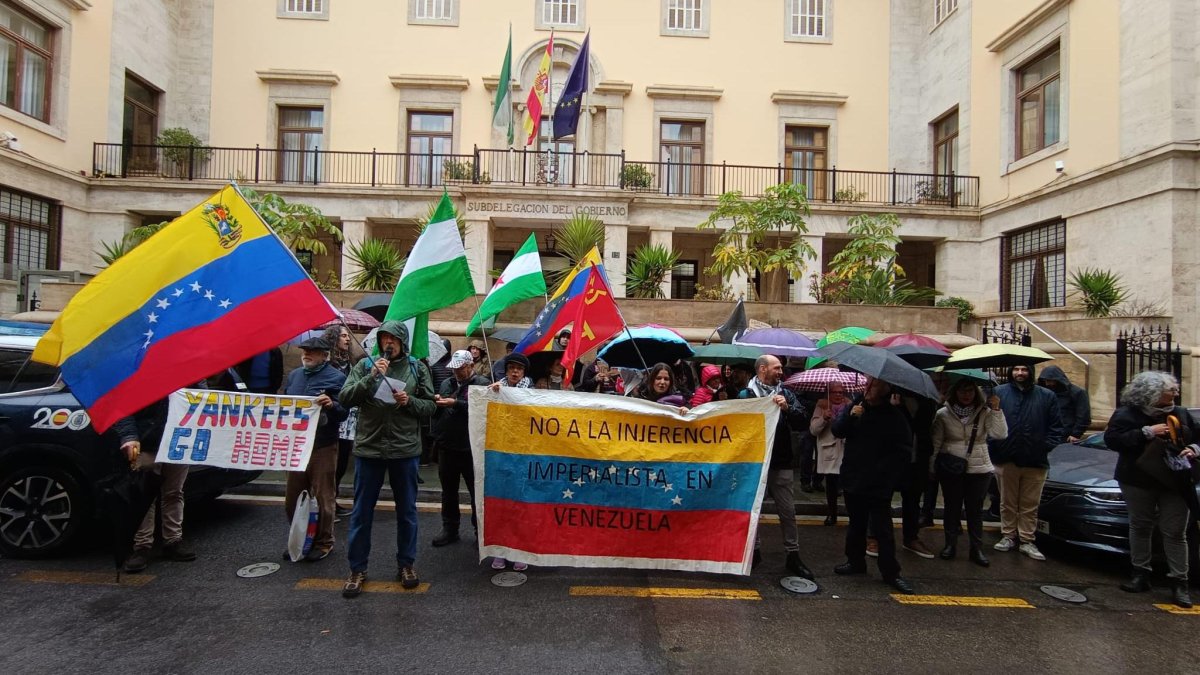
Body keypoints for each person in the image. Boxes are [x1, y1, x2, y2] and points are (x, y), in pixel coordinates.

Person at [338, 320, 436, 598]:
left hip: (404, 450)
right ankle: (357, 569)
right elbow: (345, 397)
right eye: (384, 339)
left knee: (407, 511)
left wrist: (410, 402)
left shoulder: (418, 368)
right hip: (370, 449)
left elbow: (430, 406)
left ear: (402, 342)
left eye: (393, 339)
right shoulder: (365, 365)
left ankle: (406, 564)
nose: (388, 343)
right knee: (361, 513)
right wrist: (371, 378)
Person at [1104, 371, 1199, 608]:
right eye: (1170, 389)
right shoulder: (1126, 414)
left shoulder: (1181, 413)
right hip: (1138, 479)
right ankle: (1140, 574)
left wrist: (1194, 448)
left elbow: (1197, 436)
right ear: (1152, 393)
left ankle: (1179, 582)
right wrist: (1148, 432)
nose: (1175, 392)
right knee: (1140, 525)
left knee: (1175, 531)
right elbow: (1113, 440)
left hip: (1175, 481)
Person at [831, 377, 915, 594]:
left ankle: (891, 573)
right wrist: (850, 417)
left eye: (874, 385)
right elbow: (838, 430)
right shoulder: (856, 406)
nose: (868, 388)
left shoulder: (894, 416)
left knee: (882, 530)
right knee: (856, 524)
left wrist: (888, 475)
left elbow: (904, 450)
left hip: (879, 483)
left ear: (886, 389)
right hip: (854, 477)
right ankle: (855, 561)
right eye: (867, 383)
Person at [738, 355, 815, 581]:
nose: (781, 371)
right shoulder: (746, 395)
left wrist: (788, 408)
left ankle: (793, 555)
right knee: (754, 511)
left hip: (780, 462)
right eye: (777, 368)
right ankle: (755, 551)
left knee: (787, 512)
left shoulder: (786, 393)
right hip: (754, 463)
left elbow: (803, 422)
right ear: (763, 369)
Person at [282, 336, 348, 561]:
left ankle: (324, 541)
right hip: (297, 445)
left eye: (312, 351)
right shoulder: (294, 376)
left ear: (324, 356)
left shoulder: (337, 378)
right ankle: (299, 538)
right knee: (293, 497)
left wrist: (332, 405)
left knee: (323, 496)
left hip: (322, 445)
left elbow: (344, 412)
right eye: (304, 350)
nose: (306, 354)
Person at [988, 364, 1064, 560]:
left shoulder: (1046, 396)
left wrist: (1044, 446)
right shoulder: (999, 392)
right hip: (1006, 457)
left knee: (1030, 503)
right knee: (1007, 501)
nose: (1019, 373)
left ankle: (1027, 539)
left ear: (1030, 371)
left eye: (1024, 369)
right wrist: (996, 446)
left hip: (1035, 459)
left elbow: (1056, 427)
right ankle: (1008, 535)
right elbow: (990, 422)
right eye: (1016, 369)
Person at [115, 392, 195, 574]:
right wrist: (129, 437)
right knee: (144, 495)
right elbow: (123, 407)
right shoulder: (136, 375)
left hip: (179, 441)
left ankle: (173, 541)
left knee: (174, 493)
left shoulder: (188, 375)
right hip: (147, 443)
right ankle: (142, 547)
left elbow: (202, 400)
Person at [931, 380, 1007, 567]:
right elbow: (936, 442)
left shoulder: (985, 412)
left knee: (975, 510)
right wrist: (931, 467)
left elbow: (1000, 434)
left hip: (979, 467)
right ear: (955, 393)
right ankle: (950, 545)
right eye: (962, 391)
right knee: (952, 508)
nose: (966, 395)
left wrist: (997, 410)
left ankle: (976, 549)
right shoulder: (943, 414)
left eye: (971, 391)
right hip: (951, 467)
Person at [432, 350, 490, 548]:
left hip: (470, 447)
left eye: (461, 368)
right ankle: (450, 528)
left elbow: (480, 408)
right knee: (448, 491)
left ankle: (479, 531)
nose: (457, 372)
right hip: (447, 445)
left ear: (471, 366)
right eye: (454, 369)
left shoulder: (481, 384)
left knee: (476, 492)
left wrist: (455, 403)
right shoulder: (447, 383)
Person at [488, 352, 534, 571]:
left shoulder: (532, 393)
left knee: (521, 505)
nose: (515, 372)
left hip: (523, 456)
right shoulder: (496, 389)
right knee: (501, 504)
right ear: (506, 371)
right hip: (500, 455)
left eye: (519, 369)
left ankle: (520, 550)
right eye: (511, 368)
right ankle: (500, 550)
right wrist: (492, 393)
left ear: (524, 373)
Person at [323, 325, 357, 519]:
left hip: (349, 420)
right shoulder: (327, 364)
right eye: (343, 336)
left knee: (342, 461)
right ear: (333, 339)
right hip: (332, 418)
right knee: (330, 465)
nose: (347, 339)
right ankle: (326, 503)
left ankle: (332, 498)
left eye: (348, 336)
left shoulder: (351, 363)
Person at [810, 383, 849, 526]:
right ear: (828, 393)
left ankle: (852, 514)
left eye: (841, 392)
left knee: (848, 486)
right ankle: (832, 514)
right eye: (835, 392)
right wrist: (824, 418)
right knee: (831, 486)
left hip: (846, 451)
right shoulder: (821, 407)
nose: (839, 395)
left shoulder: (850, 408)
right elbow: (813, 430)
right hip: (830, 451)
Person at [1038, 365, 1092, 443]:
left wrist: (1076, 434)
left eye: (1049, 380)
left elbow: (1083, 416)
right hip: (1046, 434)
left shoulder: (1077, 393)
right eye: (1045, 381)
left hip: (1066, 435)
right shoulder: (1043, 392)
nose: (1047, 383)